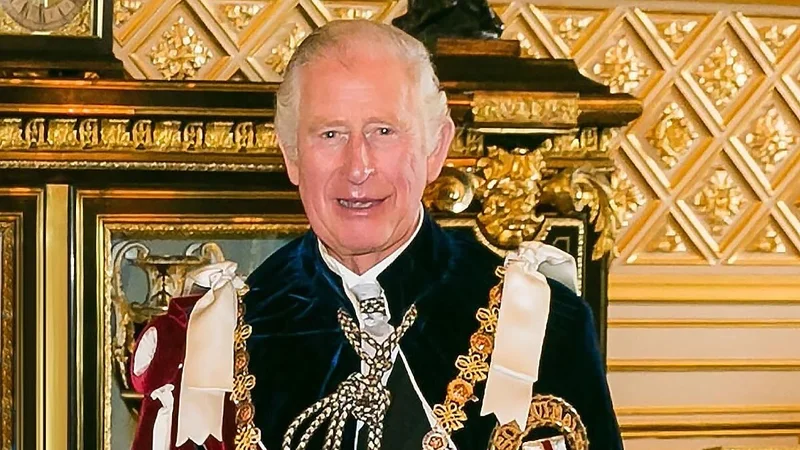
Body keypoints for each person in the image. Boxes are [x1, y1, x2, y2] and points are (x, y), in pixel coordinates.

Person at [243, 19, 622, 450]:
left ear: (436, 147)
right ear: (291, 156)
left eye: (383, 132)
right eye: (330, 134)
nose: (357, 167)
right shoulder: (232, 333)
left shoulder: (542, 323)